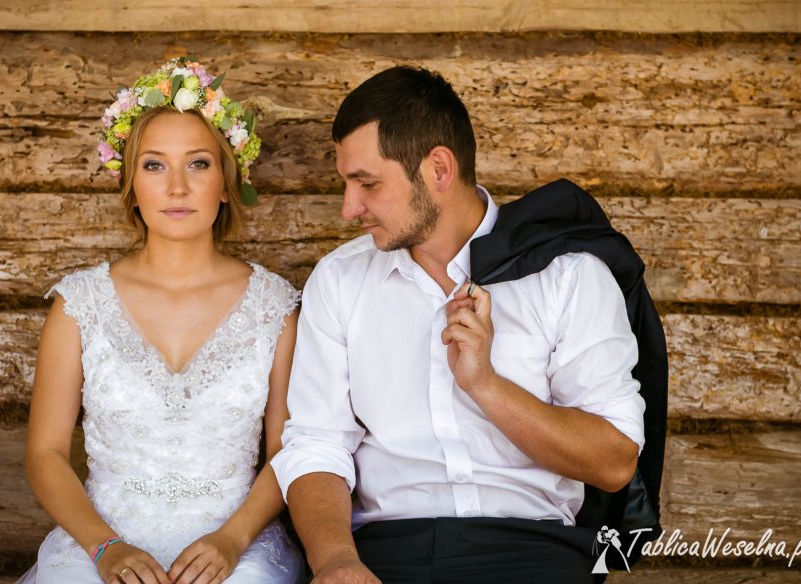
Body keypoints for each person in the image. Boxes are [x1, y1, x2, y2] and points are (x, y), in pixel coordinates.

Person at [270, 66, 646, 583]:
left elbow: (614, 460)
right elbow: (317, 443)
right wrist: (336, 560)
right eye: (346, 184)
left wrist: (486, 386)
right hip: (382, 554)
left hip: (533, 552)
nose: (348, 208)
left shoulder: (568, 275)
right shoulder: (340, 281)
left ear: (438, 170)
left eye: (368, 184)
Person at [19, 59, 306, 584]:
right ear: (131, 185)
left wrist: (233, 538)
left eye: (198, 164)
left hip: (233, 546)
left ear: (226, 182)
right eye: (154, 166)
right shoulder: (79, 305)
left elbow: (286, 452)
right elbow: (46, 452)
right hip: (100, 543)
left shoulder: (275, 308)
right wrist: (105, 547)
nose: (176, 187)